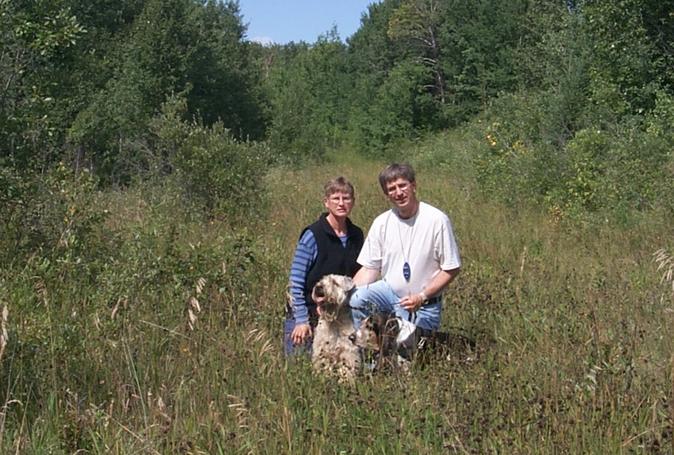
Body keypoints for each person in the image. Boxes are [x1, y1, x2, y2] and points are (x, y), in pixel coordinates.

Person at [350, 163, 461, 332]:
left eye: (402, 185)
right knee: (356, 298)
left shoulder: (437, 220)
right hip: (389, 294)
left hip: (423, 303)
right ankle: (366, 348)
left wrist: (422, 297)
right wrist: (344, 295)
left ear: (413, 185)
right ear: (387, 194)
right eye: (392, 189)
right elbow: (369, 269)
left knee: (409, 353)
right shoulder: (382, 222)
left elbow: (451, 268)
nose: (399, 193)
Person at [284, 177, 364, 355]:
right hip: (308, 313)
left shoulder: (357, 235)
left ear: (353, 202)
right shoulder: (313, 235)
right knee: (301, 368)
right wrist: (301, 320)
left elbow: (358, 278)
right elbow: (295, 282)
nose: (341, 203)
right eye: (336, 198)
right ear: (326, 202)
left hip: (341, 314)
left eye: (346, 198)